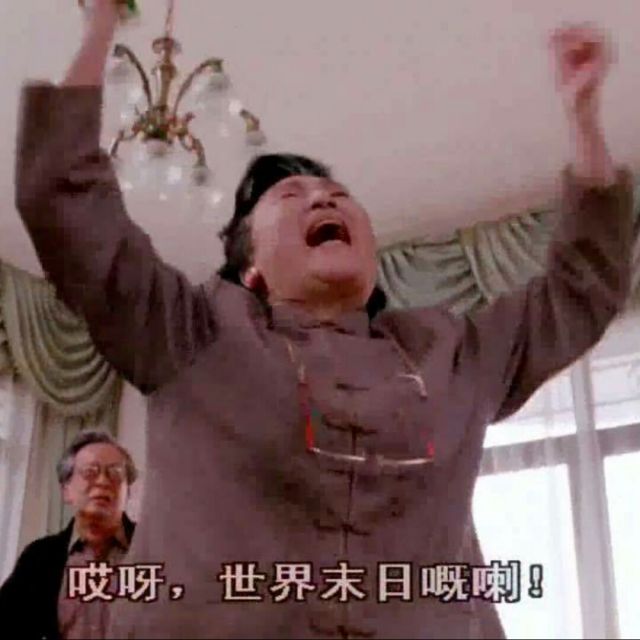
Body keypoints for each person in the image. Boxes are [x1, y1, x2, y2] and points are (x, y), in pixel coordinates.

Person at [13, 0, 634, 637]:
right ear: (251, 269)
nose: (322, 199)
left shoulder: (449, 352)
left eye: (338, 197)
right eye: (291, 196)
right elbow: (64, 200)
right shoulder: (193, 332)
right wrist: (103, 24)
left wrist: (584, 119)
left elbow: (581, 292)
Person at [0, 430, 138, 640]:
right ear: (66, 490)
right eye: (90, 472)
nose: (103, 481)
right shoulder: (38, 557)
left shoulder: (157, 549)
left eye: (115, 473)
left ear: (128, 492)